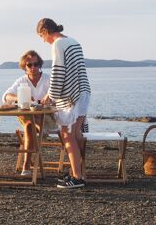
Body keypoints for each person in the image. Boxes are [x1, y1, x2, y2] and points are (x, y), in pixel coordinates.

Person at [37, 18, 91, 188]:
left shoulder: (58, 44)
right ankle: (79, 173)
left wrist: (50, 95)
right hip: (83, 92)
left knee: (68, 137)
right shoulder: (74, 41)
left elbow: (58, 71)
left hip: (71, 97)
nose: (43, 40)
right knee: (75, 136)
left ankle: (77, 178)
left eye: (41, 36)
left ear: (45, 31)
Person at [2, 50, 50, 176]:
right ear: (24, 66)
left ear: (40, 65)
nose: (33, 67)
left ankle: (26, 165)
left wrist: (45, 101)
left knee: (29, 126)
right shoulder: (21, 81)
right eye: (30, 65)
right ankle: (40, 130)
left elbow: (58, 98)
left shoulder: (48, 80)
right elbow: (6, 96)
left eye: (36, 64)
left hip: (47, 116)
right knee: (29, 123)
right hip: (28, 117)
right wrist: (19, 98)